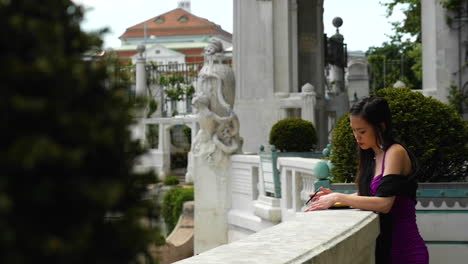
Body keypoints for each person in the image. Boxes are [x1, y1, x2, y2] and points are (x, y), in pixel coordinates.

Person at [305, 96, 429, 264]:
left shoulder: (395, 152)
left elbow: (384, 203)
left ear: (381, 127)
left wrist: (338, 198)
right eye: (354, 131)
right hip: (384, 250)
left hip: (405, 252)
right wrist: (334, 199)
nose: (357, 137)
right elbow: (370, 195)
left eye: (362, 131)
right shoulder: (373, 156)